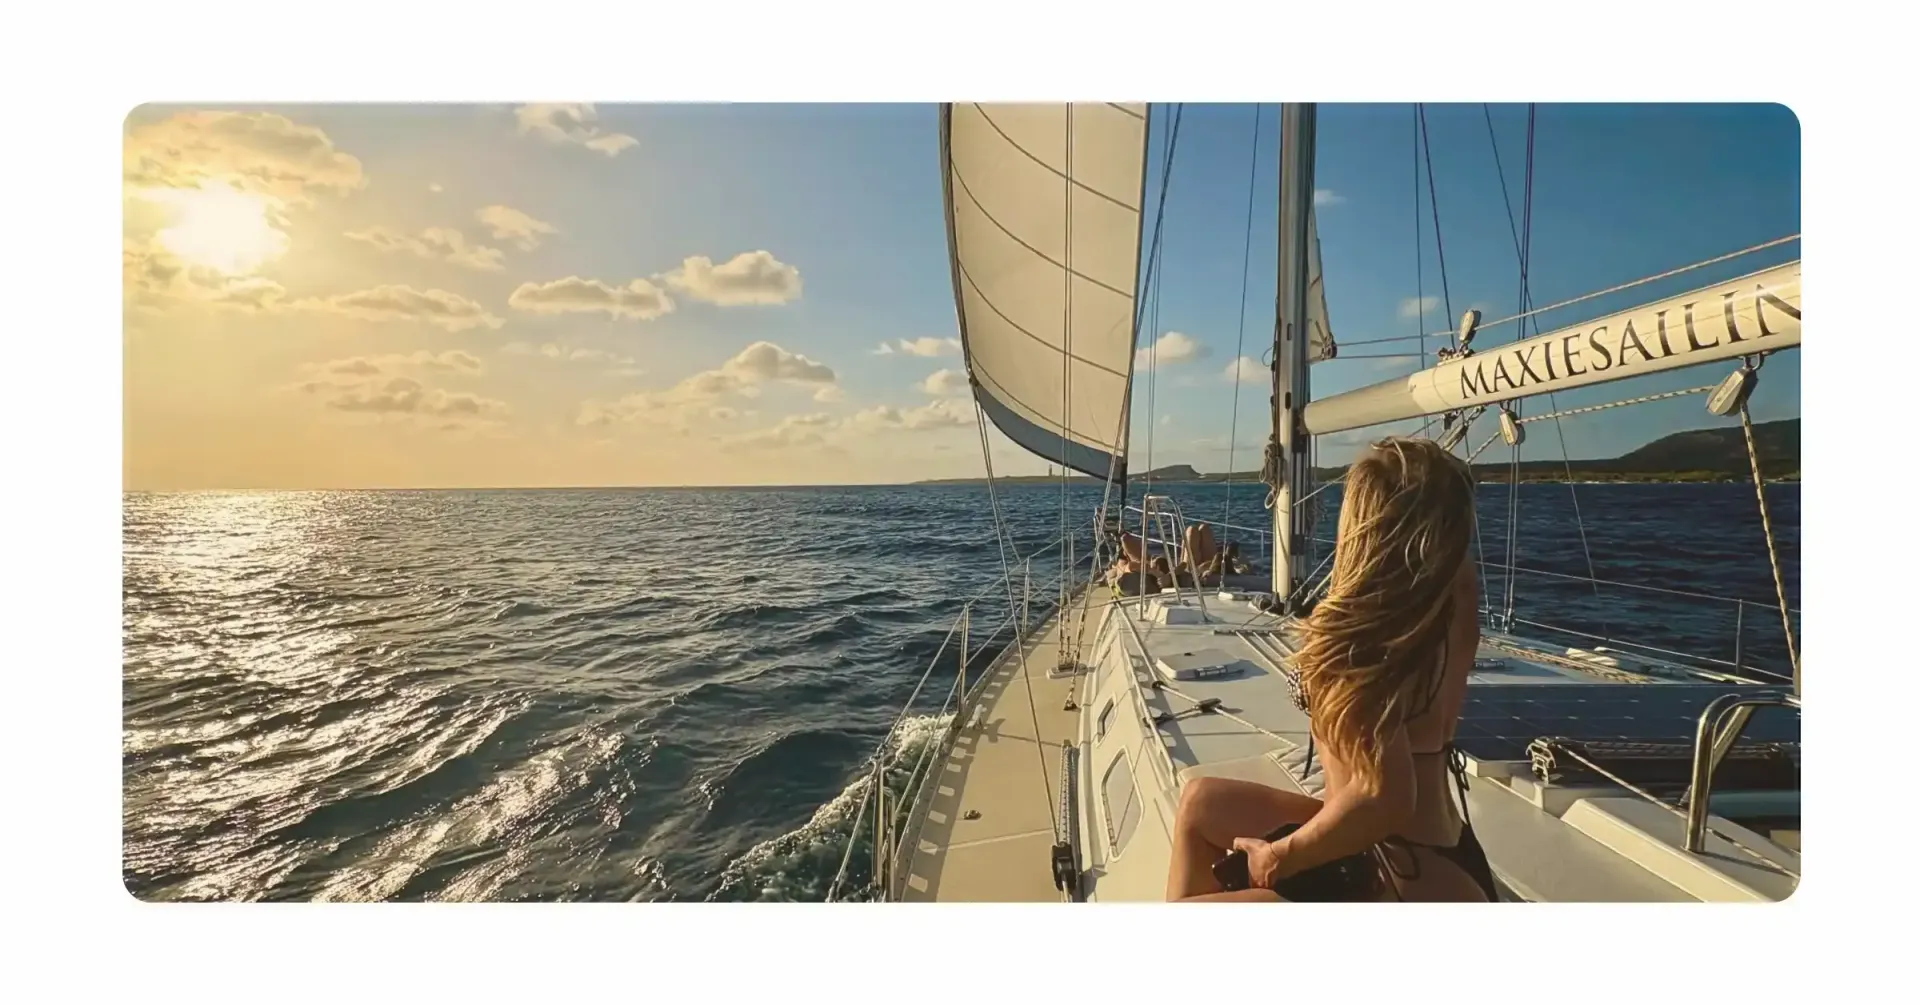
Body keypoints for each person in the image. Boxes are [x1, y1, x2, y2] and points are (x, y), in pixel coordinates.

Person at [1164, 436, 1498, 902]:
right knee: (1201, 802)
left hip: (1392, 875)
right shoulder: (1449, 602)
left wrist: (1281, 856)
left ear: (1362, 526)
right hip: (1450, 856)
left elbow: (1389, 799)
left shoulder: (1359, 642)